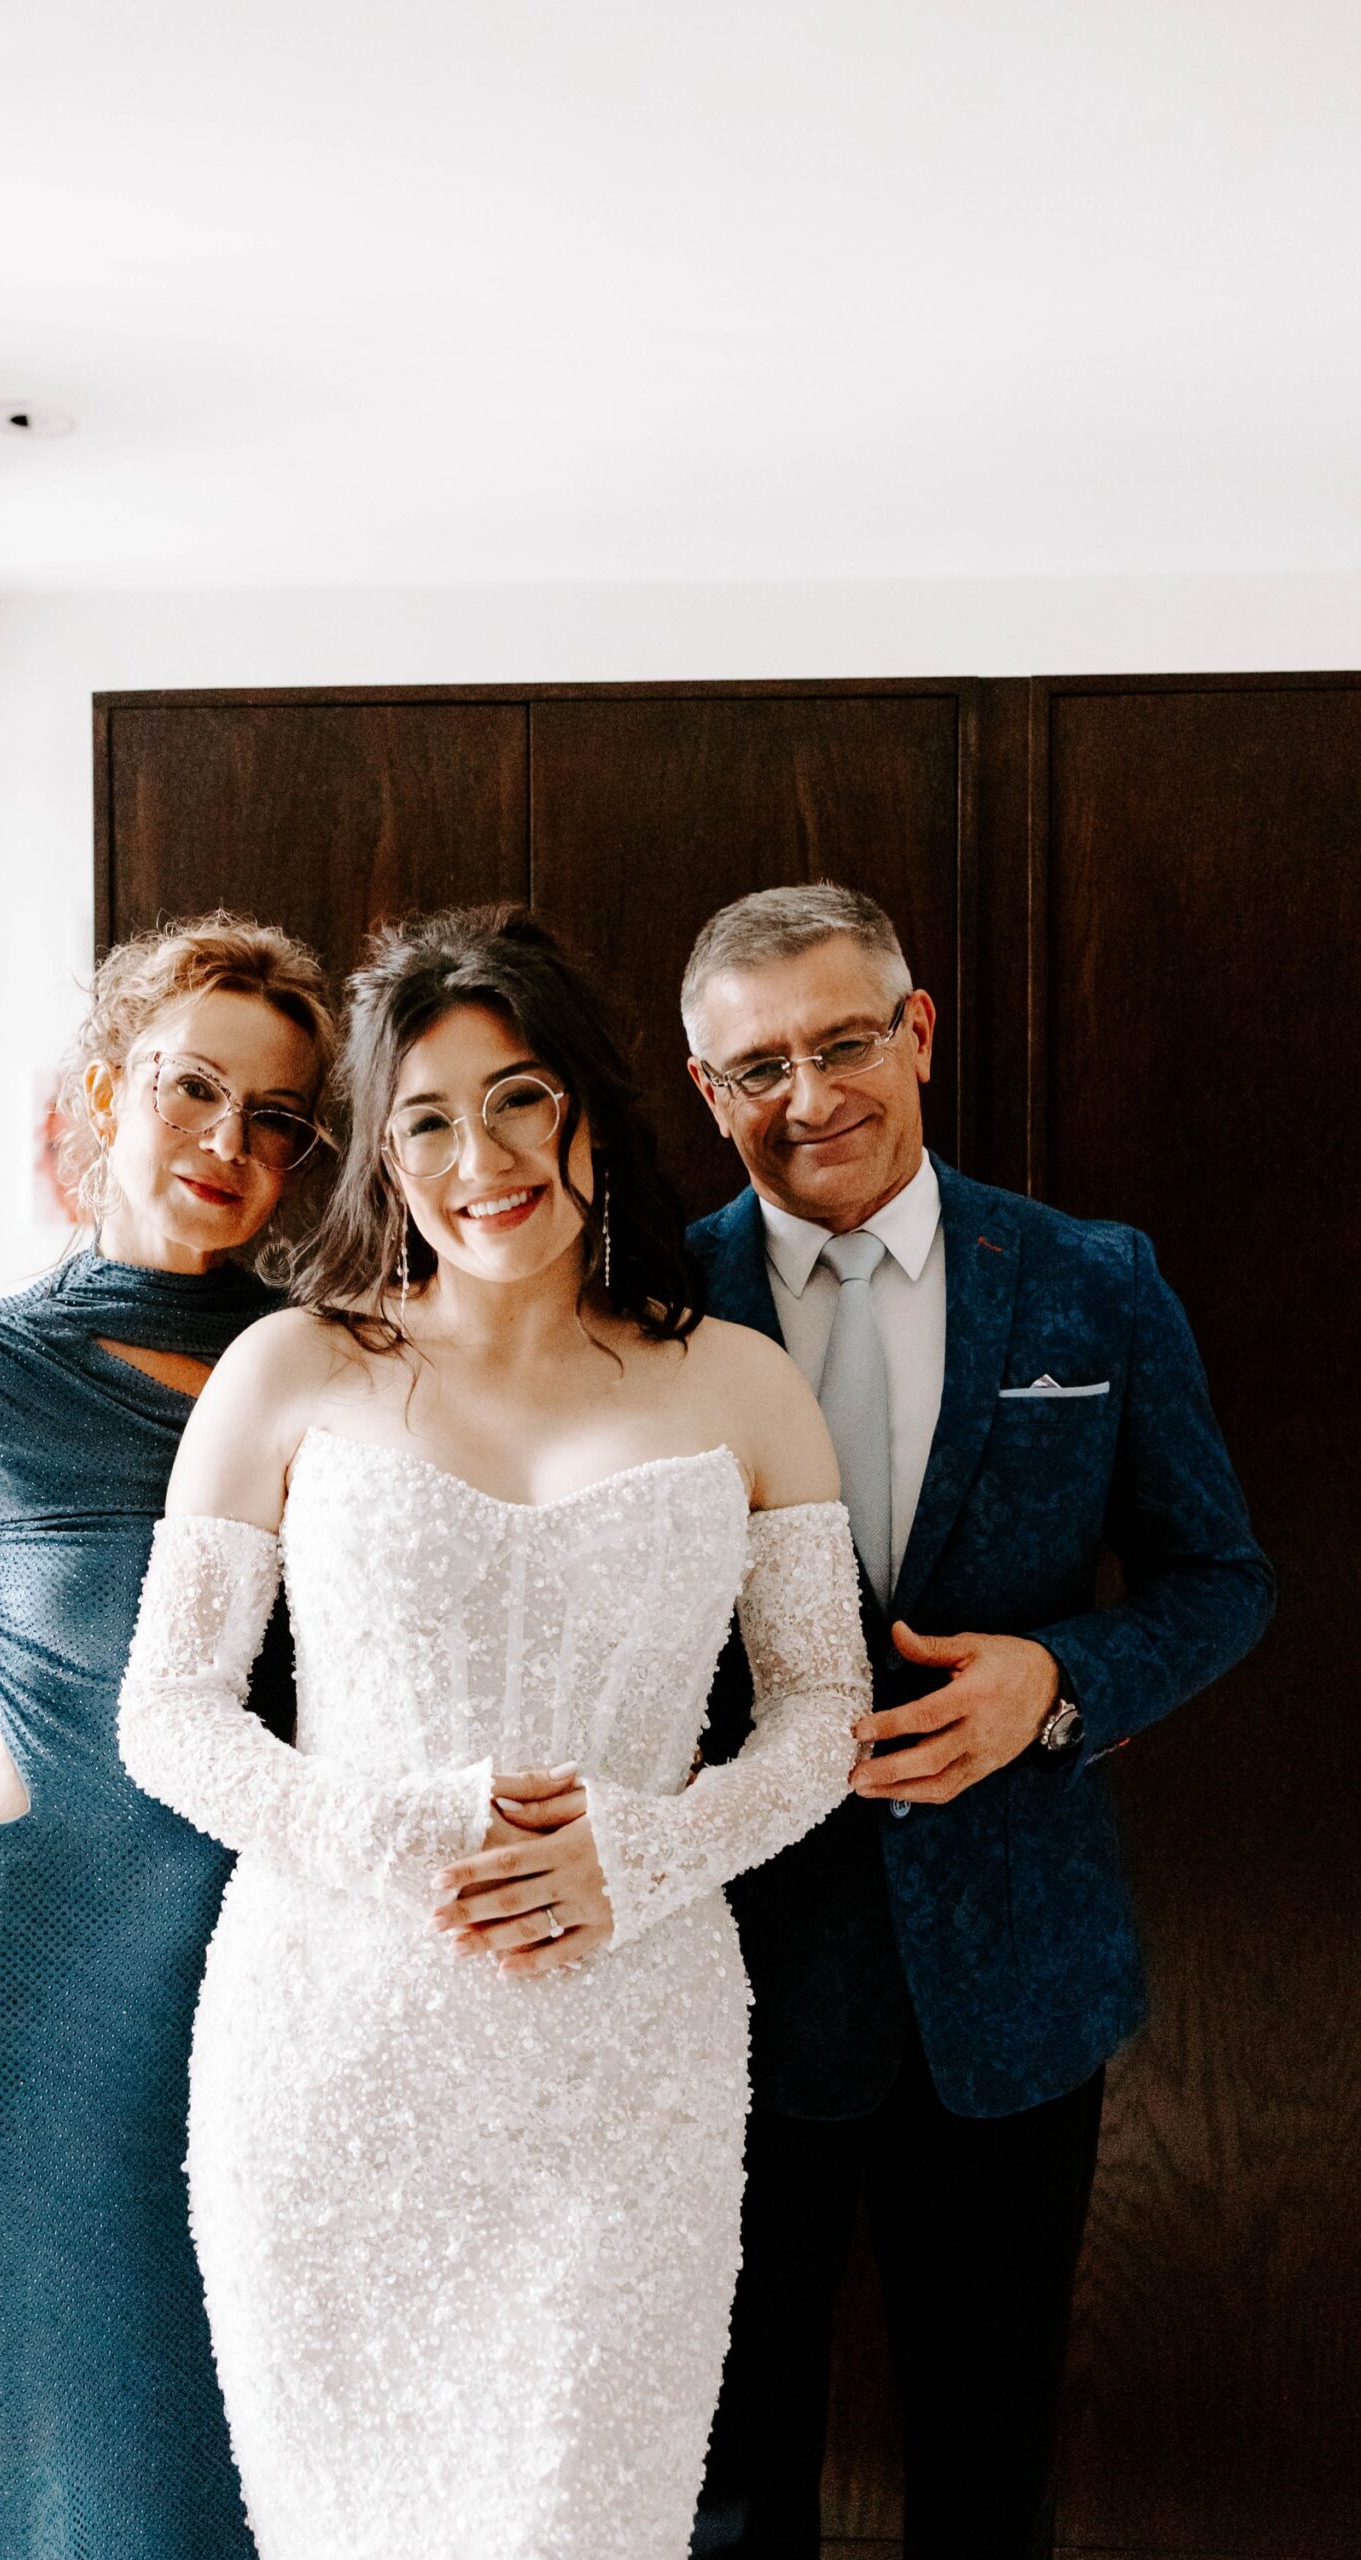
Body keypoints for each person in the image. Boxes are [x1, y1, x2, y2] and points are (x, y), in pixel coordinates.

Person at [114, 905, 871, 2560]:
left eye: (521, 1099)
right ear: (382, 1157)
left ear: (592, 1105)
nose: (485, 1158)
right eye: (429, 1121)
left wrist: (650, 1850)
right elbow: (168, 1710)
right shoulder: (288, 1371)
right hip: (331, 2050)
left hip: (632, 2051)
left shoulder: (741, 1384)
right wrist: (401, 1836)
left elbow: (823, 1715)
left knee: (585, 2515)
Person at [681, 882, 1275, 2559]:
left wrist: (1060, 1685)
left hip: (1018, 1985)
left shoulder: (1095, 1279)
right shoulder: (646, 1301)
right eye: (757, 1069)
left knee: (986, 2472)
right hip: (722, 1988)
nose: (810, 1098)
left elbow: (1219, 1576)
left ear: (918, 1033)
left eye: (845, 1041)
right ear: (706, 1090)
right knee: (724, 2483)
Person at [0, 911, 335, 2560]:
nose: (229, 1143)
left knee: (249, 2472)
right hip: (23, 2005)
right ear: (106, 1095)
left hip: (272, 1987)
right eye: (191, 1090)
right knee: (43, 2477)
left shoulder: (339, 1369)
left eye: (277, 1118)